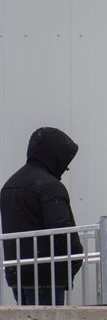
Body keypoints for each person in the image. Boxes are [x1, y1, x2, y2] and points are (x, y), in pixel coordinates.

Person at [0, 127, 84, 305]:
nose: (66, 168)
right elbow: (61, 231)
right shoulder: (50, 187)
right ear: (53, 155)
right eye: (64, 160)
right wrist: (76, 258)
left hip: (18, 275)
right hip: (47, 277)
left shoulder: (10, 185)